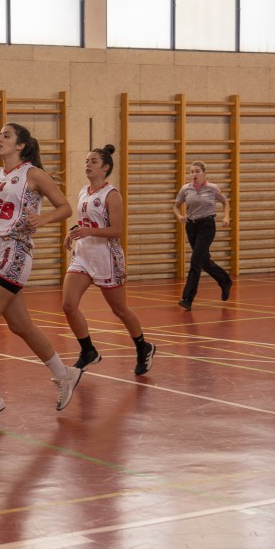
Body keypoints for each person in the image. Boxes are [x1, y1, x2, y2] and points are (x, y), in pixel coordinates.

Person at [0, 123, 81, 422]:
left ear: (21, 145)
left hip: (15, 249)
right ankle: (64, 374)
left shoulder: (33, 174)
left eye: (6, 135)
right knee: (20, 326)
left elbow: (65, 207)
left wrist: (44, 219)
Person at [61, 145, 156, 376]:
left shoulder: (111, 195)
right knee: (68, 305)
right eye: (86, 160)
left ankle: (143, 347)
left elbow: (116, 231)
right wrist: (73, 231)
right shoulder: (84, 191)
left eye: (93, 161)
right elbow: (86, 223)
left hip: (106, 257)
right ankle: (88, 351)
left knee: (119, 309)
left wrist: (88, 232)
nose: (87, 165)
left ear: (105, 168)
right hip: (83, 255)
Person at [173, 161, 232, 310]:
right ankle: (225, 280)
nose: (194, 174)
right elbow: (176, 206)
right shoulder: (185, 189)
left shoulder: (212, 188)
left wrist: (226, 217)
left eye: (197, 171)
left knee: (195, 261)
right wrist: (179, 216)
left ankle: (187, 298)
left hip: (207, 226)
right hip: (191, 227)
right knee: (203, 261)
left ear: (204, 173)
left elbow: (225, 202)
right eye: (192, 172)